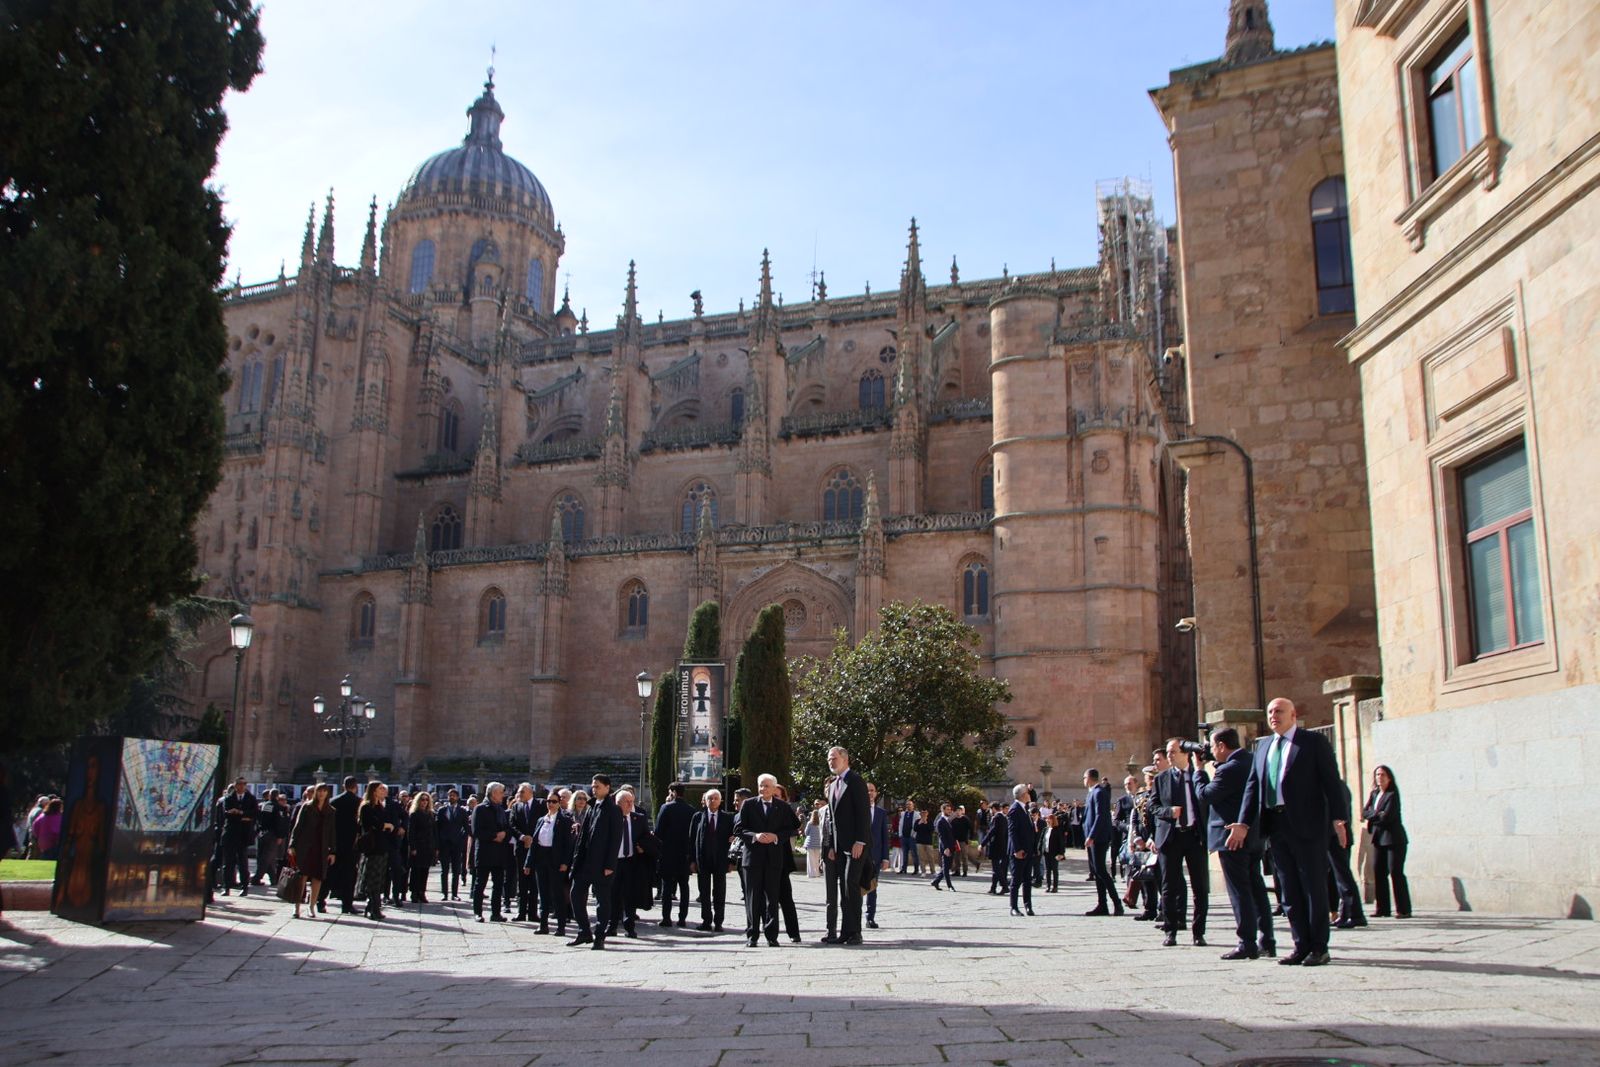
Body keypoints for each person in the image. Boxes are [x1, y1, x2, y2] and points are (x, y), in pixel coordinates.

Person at [1231, 697, 1350, 967]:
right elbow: (1253, 788)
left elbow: (1331, 782)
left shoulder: (1312, 743)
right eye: (1271, 712)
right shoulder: (1263, 747)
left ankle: (1319, 946)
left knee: (1313, 887)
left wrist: (1340, 819)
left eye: (1279, 711)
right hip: (1276, 825)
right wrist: (1243, 822)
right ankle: (1300, 945)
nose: (1274, 716)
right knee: (1288, 890)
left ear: (1293, 715)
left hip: (1308, 826)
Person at [1197, 728, 1276, 960]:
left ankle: (1247, 942)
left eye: (1212, 747)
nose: (1211, 751)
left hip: (1231, 837)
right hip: (1254, 836)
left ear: (1221, 746)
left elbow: (1205, 795)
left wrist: (1199, 771)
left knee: (1239, 891)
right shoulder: (1252, 761)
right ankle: (1267, 940)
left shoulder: (1229, 769)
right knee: (1257, 889)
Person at [1155, 737, 1210, 947]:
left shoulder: (1198, 775)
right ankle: (1171, 931)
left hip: (1195, 836)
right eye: (1168, 752)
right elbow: (1153, 807)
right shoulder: (1162, 779)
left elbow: (1207, 801)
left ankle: (1199, 932)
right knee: (1169, 887)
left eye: (1174, 751)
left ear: (1185, 753)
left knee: (1200, 887)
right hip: (1171, 836)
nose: (1170, 755)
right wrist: (1169, 812)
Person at [735, 773, 799, 948]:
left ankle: (772, 935)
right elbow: (739, 829)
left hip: (774, 859)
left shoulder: (782, 807)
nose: (763, 789)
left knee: (772, 898)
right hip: (752, 859)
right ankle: (752, 935)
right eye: (761, 786)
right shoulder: (748, 805)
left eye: (767, 786)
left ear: (774, 787)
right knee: (753, 898)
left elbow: (793, 827)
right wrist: (755, 836)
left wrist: (776, 837)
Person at [821, 747, 871, 944]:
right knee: (843, 889)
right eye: (828, 759)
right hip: (839, 846)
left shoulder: (856, 781)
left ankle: (855, 932)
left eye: (834, 758)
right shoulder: (833, 785)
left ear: (845, 759)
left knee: (851, 886)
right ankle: (844, 932)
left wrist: (861, 841)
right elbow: (832, 819)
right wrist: (832, 846)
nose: (831, 762)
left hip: (855, 845)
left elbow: (863, 815)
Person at [569, 775, 623, 949]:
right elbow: (585, 834)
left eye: (597, 786)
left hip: (601, 864)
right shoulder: (592, 806)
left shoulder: (613, 809)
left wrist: (609, 865)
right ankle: (584, 931)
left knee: (602, 901)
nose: (594, 789)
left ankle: (600, 936)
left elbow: (615, 839)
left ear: (607, 787)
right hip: (585, 862)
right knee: (575, 894)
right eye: (593, 786)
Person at [1363, 764, 1411, 919]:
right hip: (1378, 838)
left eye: (1383, 774)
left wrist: (1375, 815)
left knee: (1395, 872)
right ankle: (1382, 908)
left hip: (1393, 839)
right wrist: (1377, 814)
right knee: (1379, 872)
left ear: (1389, 777)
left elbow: (1388, 816)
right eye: (1377, 775)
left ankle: (1403, 909)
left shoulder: (1392, 795)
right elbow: (1365, 812)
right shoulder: (1374, 793)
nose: (1379, 777)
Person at [609, 789, 654, 939]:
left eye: (631, 802)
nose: (630, 805)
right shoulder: (610, 818)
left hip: (631, 862)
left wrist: (643, 847)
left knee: (629, 895)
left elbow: (646, 837)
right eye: (626, 802)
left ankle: (630, 927)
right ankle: (612, 925)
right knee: (613, 894)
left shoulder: (638, 818)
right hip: (614, 862)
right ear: (618, 803)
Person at [287, 784, 336, 919]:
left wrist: (333, 851)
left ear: (327, 793)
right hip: (305, 846)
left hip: (322, 847)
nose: (321, 794)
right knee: (301, 876)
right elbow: (297, 827)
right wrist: (292, 845)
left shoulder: (331, 810)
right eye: (319, 791)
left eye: (324, 791)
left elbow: (332, 832)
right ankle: (296, 906)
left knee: (318, 876)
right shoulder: (307, 807)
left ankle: (311, 906)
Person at [689, 788, 733, 932]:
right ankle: (706, 920)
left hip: (720, 860)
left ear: (720, 801)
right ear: (705, 800)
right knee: (704, 892)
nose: (712, 801)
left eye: (715, 798)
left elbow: (733, 841)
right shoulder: (698, 817)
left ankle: (719, 921)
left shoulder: (727, 818)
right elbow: (691, 840)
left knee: (720, 892)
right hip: (703, 860)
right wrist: (692, 860)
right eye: (709, 798)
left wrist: (731, 862)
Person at [531, 792, 574, 935]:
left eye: (554, 801)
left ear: (559, 803)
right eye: (549, 801)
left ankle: (561, 926)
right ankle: (543, 925)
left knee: (557, 894)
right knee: (542, 893)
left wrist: (565, 863)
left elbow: (568, 845)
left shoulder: (565, 820)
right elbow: (535, 842)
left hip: (556, 859)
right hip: (541, 858)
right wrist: (528, 863)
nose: (551, 804)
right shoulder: (541, 820)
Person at [1082, 768, 1124, 915]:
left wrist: (1092, 835)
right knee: (1097, 872)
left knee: (1101, 871)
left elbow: (1100, 816)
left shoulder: (1099, 792)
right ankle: (1102, 905)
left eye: (1084, 777)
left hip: (1098, 838)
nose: (1083, 780)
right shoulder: (1092, 793)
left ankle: (1117, 903)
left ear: (1090, 778)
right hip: (1093, 838)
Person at [470, 782, 513, 923]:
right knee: (480, 883)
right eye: (501, 792)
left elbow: (508, 828)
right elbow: (476, 831)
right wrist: (495, 836)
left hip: (499, 853)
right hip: (484, 852)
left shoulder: (501, 809)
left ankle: (496, 913)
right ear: (493, 793)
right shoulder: (480, 809)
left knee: (498, 884)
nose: (503, 795)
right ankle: (478, 912)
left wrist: (504, 835)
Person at [655, 782, 695, 927]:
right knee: (684, 886)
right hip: (684, 854)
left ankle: (666, 917)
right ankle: (682, 918)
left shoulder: (666, 808)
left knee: (666, 886)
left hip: (668, 853)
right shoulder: (691, 810)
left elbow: (658, 831)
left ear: (673, 792)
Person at [1329, 779, 1367, 930]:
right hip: (1333, 837)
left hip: (1337, 838)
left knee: (1343, 877)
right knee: (1340, 878)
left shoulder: (1336, 786)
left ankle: (1355, 914)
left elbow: (1341, 813)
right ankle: (1347, 913)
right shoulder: (1336, 785)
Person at [323, 776, 361, 914]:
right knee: (349, 875)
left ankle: (321, 900)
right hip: (351, 843)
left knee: (330, 872)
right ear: (355, 786)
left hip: (335, 842)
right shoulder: (358, 802)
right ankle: (347, 905)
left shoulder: (334, 801)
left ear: (344, 786)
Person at [355, 781, 392, 921]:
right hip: (372, 845)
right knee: (373, 878)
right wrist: (385, 825)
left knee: (379, 877)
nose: (384, 791)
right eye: (381, 788)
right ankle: (374, 908)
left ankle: (372, 906)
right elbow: (368, 825)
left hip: (382, 844)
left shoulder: (379, 806)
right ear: (374, 791)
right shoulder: (366, 807)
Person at [771, 784, 803, 943]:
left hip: (781, 860)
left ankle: (793, 932)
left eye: (777, 796)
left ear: (784, 799)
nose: (773, 798)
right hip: (765, 861)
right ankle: (769, 931)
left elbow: (794, 827)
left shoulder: (785, 811)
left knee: (785, 898)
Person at [218, 777, 258, 896]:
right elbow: (226, 814)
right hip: (230, 833)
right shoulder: (229, 798)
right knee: (228, 862)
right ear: (235, 786)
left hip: (243, 834)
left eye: (243, 784)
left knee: (243, 862)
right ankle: (227, 887)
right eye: (238, 784)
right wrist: (243, 817)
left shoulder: (251, 798)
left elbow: (254, 814)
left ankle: (244, 887)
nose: (241, 787)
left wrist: (241, 813)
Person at [510, 783, 539, 921]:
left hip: (536, 848)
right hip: (521, 848)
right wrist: (522, 837)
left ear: (530, 792)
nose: (519, 794)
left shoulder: (540, 805)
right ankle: (521, 912)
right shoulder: (516, 806)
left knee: (534, 882)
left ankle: (533, 913)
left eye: (522, 792)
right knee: (521, 881)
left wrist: (533, 838)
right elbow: (512, 825)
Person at [1006, 784, 1036, 916]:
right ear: (1023, 795)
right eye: (1028, 792)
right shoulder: (1014, 809)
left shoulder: (1025, 808)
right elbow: (1012, 831)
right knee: (1016, 880)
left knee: (1027, 880)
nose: (1030, 794)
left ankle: (1028, 906)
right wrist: (1017, 849)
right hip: (1018, 852)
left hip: (1027, 850)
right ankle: (1014, 907)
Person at [864, 781, 890, 930]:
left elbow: (884, 837)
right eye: (867, 791)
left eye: (872, 791)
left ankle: (870, 917)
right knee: (856, 888)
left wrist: (885, 857)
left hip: (875, 856)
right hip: (859, 855)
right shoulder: (857, 811)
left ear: (876, 793)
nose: (870, 793)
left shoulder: (881, 813)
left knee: (872, 888)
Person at [435, 787, 469, 901]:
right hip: (444, 843)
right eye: (450, 795)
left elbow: (466, 827)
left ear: (458, 797)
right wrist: (437, 844)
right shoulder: (442, 810)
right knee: (444, 870)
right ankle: (444, 893)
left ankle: (454, 893)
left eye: (454, 795)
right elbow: (437, 828)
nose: (452, 797)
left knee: (456, 870)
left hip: (457, 843)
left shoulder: (462, 811)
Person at [252, 790, 288, 887]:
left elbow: (261, 818)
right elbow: (279, 822)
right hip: (272, 834)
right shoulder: (278, 807)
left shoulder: (264, 805)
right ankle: (257, 878)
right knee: (267, 858)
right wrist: (280, 836)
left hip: (262, 832)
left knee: (267, 858)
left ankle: (273, 879)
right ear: (277, 797)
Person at [407, 790, 437, 905]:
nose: (424, 802)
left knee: (425, 870)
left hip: (428, 846)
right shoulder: (414, 814)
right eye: (422, 800)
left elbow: (434, 831)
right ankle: (414, 892)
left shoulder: (431, 814)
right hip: (418, 845)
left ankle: (422, 892)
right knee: (416, 870)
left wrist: (436, 847)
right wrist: (413, 847)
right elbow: (411, 832)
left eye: (426, 800)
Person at [981, 803, 1010, 894]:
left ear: (993, 809)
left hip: (996, 846)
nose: (990, 812)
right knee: (996, 868)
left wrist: (982, 844)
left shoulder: (997, 818)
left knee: (997, 868)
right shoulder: (1004, 818)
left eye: (990, 809)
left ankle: (1004, 886)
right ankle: (993, 887)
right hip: (1003, 846)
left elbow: (991, 832)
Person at [1040, 812, 1064, 892]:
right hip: (1046, 852)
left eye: (1049, 819)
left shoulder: (1057, 830)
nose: (1048, 820)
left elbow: (1061, 842)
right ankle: (1048, 886)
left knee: (1054, 870)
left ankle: (1055, 886)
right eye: (1047, 819)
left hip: (1055, 853)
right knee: (1047, 870)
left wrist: (1061, 853)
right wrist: (1039, 850)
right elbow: (1041, 840)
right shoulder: (1045, 829)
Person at [897, 800, 920, 875]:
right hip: (904, 837)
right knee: (904, 854)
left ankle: (916, 869)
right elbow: (900, 824)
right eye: (907, 804)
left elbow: (917, 825)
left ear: (913, 806)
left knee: (914, 853)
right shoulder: (903, 814)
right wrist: (900, 835)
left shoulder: (917, 814)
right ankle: (904, 869)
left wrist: (914, 835)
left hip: (912, 837)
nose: (908, 806)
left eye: (910, 804)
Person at [803, 806, 824, 877]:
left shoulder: (810, 823)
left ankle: (810, 874)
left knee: (810, 859)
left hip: (810, 843)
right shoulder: (820, 823)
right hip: (818, 843)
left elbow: (806, 832)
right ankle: (817, 873)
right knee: (816, 859)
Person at [951, 805, 971, 877]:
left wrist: (968, 839)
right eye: (957, 811)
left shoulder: (965, 819)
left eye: (960, 811)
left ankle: (965, 871)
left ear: (962, 811)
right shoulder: (954, 820)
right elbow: (951, 831)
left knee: (964, 856)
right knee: (956, 856)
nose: (958, 812)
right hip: (956, 841)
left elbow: (970, 828)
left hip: (963, 840)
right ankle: (957, 871)